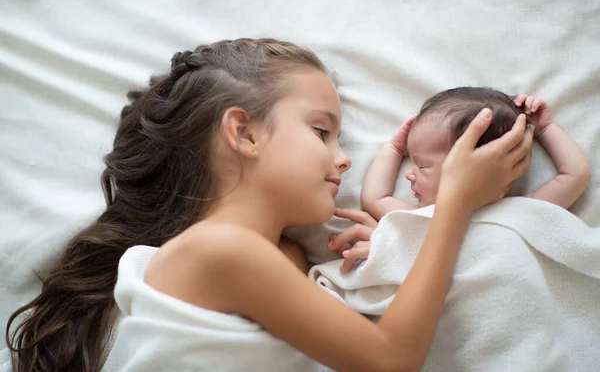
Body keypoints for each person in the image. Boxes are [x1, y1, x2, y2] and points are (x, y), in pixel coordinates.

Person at [6, 39, 533, 372]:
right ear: (244, 133)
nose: (344, 159)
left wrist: (395, 248)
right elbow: (392, 361)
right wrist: (457, 202)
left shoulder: (286, 258)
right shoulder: (218, 250)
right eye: (322, 131)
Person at [361, 87, 591, 220]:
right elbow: (374, 199)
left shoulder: (520, 211)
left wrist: (544, 128)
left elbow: (577, 174)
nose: (409, 175)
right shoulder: (426, 217)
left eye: (421, 166)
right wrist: (393, 149)